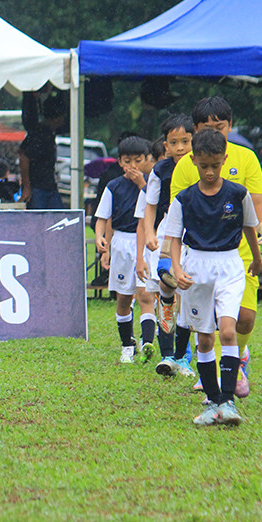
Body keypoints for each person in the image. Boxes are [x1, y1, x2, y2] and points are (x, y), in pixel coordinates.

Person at [169, 97, 262, 399]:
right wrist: (170, 260)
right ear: (195, 130)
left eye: (220, 127)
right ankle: (215, 376)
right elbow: (175, 215)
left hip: (237, 255)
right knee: (207, 326)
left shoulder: (245, 158)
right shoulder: (186, 165)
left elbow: (257, 203)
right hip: (199, 256)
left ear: (230, 126)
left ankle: (238, 359)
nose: (214, 133)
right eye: (206, 128)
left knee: (244, 318)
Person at [166, 129, 262, 426]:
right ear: (193, 160)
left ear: (225, 159)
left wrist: (257, 258)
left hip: (230, 266)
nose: (209, 172)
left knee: (228, 331)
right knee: (205, 338)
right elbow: (174, 238)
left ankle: (228, 402)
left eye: (215, 165)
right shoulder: (184, 199)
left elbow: (250, 228)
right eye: (204, 165)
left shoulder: (238, 194)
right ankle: (211, 402)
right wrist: (178, 269)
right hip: (197, 268)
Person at [135, 114, 196, 378]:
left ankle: (185, 357)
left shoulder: (203, 165)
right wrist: (150, 232)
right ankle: (168, 355)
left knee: (189, 295)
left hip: (196, 235)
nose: (180, 147)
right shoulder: (160, 171)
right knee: (167, 288)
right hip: (168, 235)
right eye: (174, 142)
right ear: (165, 145)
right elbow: (150, 206)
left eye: (185, 141)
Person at [94, 136, 154, 363]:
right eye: (127, 161)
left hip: (146, 242)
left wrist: (141, 185)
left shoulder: (152, 185)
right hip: (121, 242)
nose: (133, 166)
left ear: (147, 160)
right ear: (119, 162)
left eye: (138, 161)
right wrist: (102, 241)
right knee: (123, 298)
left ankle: (147, 342)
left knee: (145, 294)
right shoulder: (113, 186)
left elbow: (156, 207)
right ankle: (127, 345)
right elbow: (103, 217)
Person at [19, 94, 66, 209]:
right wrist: (27, 187)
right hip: (37, 188)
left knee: (58, 215)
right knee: (40, 218)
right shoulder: (41, 134)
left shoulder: (48, 132)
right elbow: (24, 156)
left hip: (49, 186)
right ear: (58, 118)